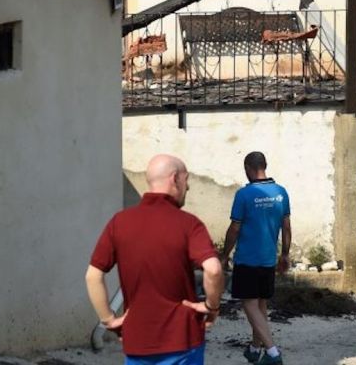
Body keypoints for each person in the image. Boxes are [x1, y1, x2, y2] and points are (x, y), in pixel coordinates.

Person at [86, 154, 224, 365]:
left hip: (138, 340)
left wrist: (109, 321)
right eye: (187, 180)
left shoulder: (119, 222)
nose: (188, 188)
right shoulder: (189, 224)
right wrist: (211, 306)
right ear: (175, 178)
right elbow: (213, 270)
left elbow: (93, 276)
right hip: (183, 339)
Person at [221, 151, 292, 365]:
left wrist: (224, 254)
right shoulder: (281, 192)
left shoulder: (244, 195)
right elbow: (286, 226)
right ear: (265, 165)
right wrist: (285, 254)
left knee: (249, 304)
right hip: (268, 259)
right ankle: (255, 347)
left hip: (248, 260)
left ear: (247, 168)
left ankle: (272, 353)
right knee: (260, 305)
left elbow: (234, 228)